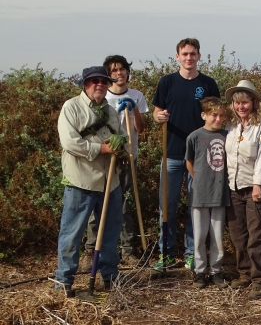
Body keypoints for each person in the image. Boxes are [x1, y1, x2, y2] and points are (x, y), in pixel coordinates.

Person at [54, 66, 127, 295]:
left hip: (110, 181)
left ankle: (109, 276)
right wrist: (102, 148)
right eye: (94, 81)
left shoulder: (111, 111)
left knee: (111, 232)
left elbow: (122, 136)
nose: (100, 85)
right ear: (85, 85)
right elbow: (70, 143)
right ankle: (63, 281)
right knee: (72, 234)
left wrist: (120, 144)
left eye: (104, 82)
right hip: (81, 181)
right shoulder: (71, 108)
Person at [152, 38, 220, 271]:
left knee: (196, 207)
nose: (189, 58)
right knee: (166, 206)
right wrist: (158, 117)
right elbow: (157, 111)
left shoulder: (208, 84)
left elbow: (216, 115)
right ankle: (166, 254)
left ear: (199, 56)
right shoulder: (167, 82)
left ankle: (193, 253)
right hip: (170, 153)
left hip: (200, 156)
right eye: (185, 54)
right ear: (177, 56)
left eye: (193, 54)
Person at [82, 55, 148, 269]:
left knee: (126, 202)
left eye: (122, 69)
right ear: (108, 76)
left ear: (128, 72)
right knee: (98, 202)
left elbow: (141, 129)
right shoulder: (103, 97)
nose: (119, 73)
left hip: (128, 157)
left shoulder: (137, 96)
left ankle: (127, 249)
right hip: (104, 158)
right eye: (114, 71)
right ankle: (92, 248)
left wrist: (133, 109)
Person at [224, 80, 261, 300]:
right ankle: (244, 272)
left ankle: (260, 280)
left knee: (257, 236)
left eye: (245, 102)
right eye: (237, 103)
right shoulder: (231, 126)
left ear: (253, 103)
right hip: (234, 187)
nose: (241, 107)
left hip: (256, 188)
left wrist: (258, 184)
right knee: (238, 234)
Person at [185, 97, 230, 289]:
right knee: (200, 235)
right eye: (214, 115)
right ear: (204, 115)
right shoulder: (194, 136)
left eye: (221, 115)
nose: (218, 119)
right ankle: (200, 272)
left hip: (220, 194)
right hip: (199, 195)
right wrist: (199, 180)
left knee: (218, 236)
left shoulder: (227, 135)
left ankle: (216, 271)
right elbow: (190, 162)